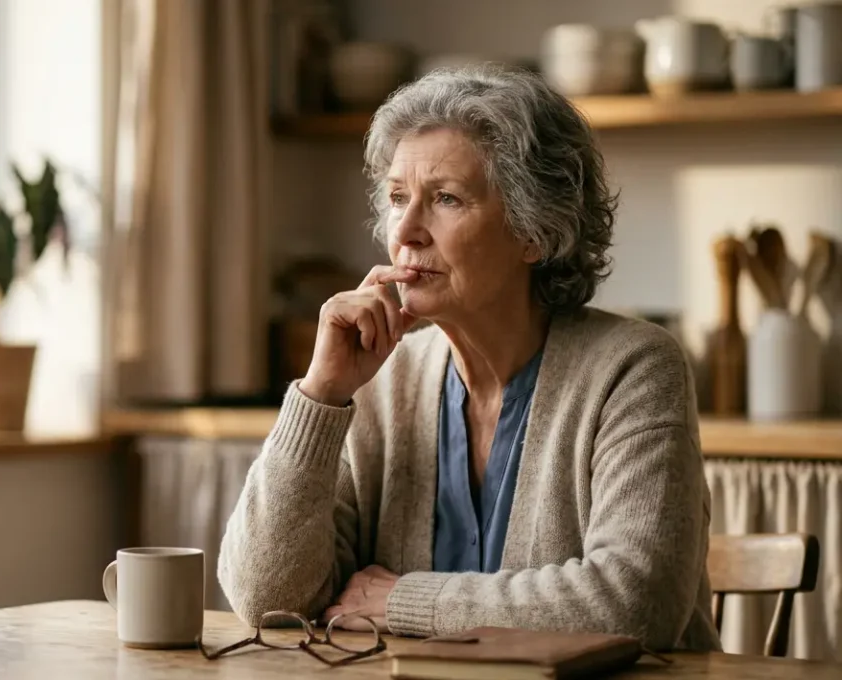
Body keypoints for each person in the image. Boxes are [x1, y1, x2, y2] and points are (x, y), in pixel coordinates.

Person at [217, 64, 720, 651]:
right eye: (398, 198)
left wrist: (402, 601)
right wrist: (321, 393)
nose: (406, 230)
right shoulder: (381, 377)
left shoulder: (634, 369)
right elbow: (266, 601)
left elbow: (633, 605)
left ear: (535, 231)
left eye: (446, 199)